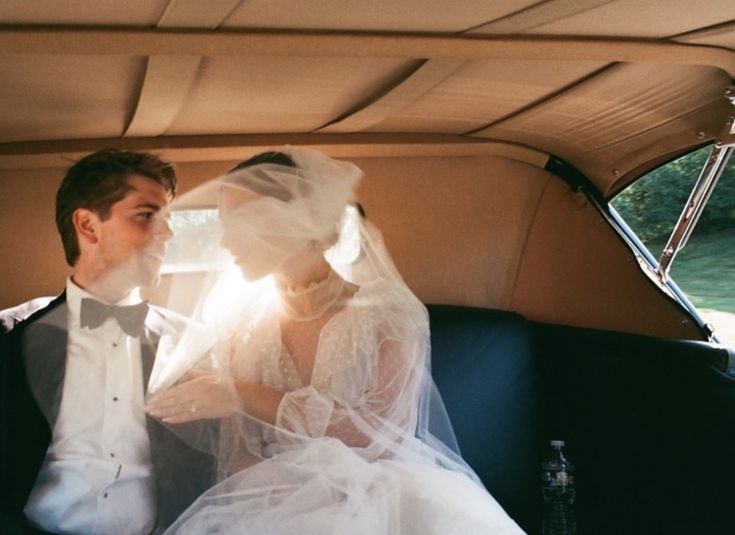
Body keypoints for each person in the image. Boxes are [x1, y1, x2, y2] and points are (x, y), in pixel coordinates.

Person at [146, 148, 525, 534]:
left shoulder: (390, 315)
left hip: (384, 501)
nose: (226, 241)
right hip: (267, 504)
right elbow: (239, 452)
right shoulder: (237, 323)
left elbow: (380, 439)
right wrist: (285, 504)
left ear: (300, 220)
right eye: (222, 223)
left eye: (243, 219)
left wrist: (242, 393)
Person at [0, 149, 214, 535]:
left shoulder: (191, 345)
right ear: (88, 225)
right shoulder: (8, 338)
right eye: (148, 216)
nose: (168, 233)